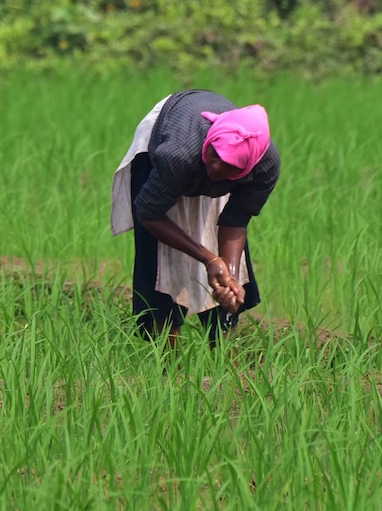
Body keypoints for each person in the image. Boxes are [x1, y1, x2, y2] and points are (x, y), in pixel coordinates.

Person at [111, 90, 278, 344]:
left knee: (221, 257)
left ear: (246, 167)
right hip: (166, 144)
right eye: (216, 158)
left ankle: (223, 355)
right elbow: (148, 212)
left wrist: (228, 276)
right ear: (211, 143)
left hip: (208, 152)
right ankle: (166, 363)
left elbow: (235, 220)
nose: (216, 169)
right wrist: (208, 258)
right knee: (161, 264)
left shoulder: (262, 166)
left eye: (230, 167)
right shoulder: (175, 154)